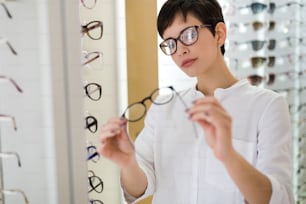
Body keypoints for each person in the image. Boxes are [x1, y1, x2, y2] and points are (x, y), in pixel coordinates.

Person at [98, 0, 294, 203]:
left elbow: (278, 198)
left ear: (219, 34)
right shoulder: (163, 107)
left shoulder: (267, 106)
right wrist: (128, 163)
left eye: (189, 35)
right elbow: (138, 189)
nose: (180, 50)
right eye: (171, 43)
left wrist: (228, 154)